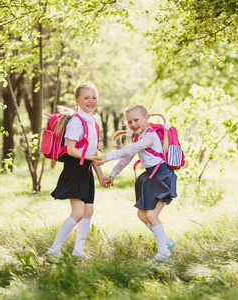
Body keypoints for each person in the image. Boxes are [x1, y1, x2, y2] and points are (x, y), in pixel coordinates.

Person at [94, 104, 177, 263]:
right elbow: (128, 156)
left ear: (146, 119)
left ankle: (163, 252)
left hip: (162, 176)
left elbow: (130, 149)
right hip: (151, 177)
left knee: (152, 215)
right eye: (130, 122)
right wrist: (113, 173)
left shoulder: (150, 136)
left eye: (136, 120)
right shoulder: (139, 136)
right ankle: (166, 241)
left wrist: (108, 157)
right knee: (142, 215)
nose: (133, 124)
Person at [47, 82, 110, 259]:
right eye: (86, 97)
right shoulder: (76, 121)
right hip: (74, 169)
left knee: (88, 212)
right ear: (77, 101)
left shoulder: (93, 123)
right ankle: (54, 249)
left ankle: (78, 251)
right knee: (78, 213)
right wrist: (92, 158)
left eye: (94, 97)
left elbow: (93, 152)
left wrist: (100, 176)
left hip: (86, 170)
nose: (91, 101)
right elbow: (71, 150)